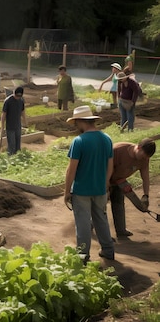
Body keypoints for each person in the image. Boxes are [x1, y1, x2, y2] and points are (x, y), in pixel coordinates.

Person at [64, 105, 114, 262]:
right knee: (101, 219)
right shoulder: (106, 139)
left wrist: (66, 192)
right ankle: (108, 250)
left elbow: (71, 170)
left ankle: (83, 256)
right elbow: (110, 166)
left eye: (76, 123)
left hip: (81, 190)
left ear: (80, 121)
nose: (76, 126)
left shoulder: (79, 141)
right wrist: (105, 183)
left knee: (83, 223)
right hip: (100, 189)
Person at [109, 138, 155, 238]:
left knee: (119, 203)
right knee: (99, 206)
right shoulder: (117, 150)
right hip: (103, 178)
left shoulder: (145, 159)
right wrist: (106, 185)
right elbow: (104, 168)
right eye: (143, 156)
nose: (144, 159)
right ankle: (97, 232)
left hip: (119, 180)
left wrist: (146, 196)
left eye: (147, 158)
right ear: (138, 147)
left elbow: (145, 178)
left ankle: (121, 230)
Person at [0, 87, 27, 155]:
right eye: (17, 96)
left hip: (18, 126)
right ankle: (11, 158)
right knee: (11, 145)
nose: (18, 97)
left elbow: (22, 111)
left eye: (19, 96)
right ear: (14, 93)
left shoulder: (21, 101)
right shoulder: (8, 101)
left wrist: (25, 121)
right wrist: (2, 127)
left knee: (18, 145)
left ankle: (17, 157)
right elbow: (3, 114)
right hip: (10, 127)